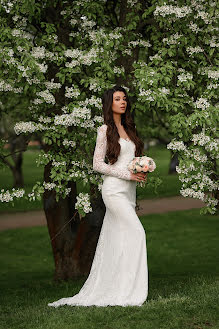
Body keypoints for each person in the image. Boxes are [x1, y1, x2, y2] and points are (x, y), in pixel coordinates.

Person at [48, 85, 148, 308]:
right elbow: (97, 164)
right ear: (109, 103)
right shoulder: (104, 130)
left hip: (129, 192)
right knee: (137, 233)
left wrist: (140, 170)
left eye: (124, 99)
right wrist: (127, 174)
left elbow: (130, 160)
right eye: (117, 99)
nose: (122, 102)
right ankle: (134, 292)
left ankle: (121, 287)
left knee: (120, 239)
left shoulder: (130, 129)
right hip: (113, 190)